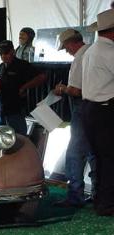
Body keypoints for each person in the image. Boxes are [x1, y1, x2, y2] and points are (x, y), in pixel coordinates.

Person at [53, 29, 96, 208]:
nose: (66, 51)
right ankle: (98, 193)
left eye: (66, 47)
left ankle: (75, 195)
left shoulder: (79, 58)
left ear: (72, 43)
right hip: (96, 108)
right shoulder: (93, 52)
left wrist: (63, 89)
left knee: (74, 153)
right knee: (94, 153)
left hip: (81, 107)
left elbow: (77, 90)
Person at [82, 9, 114, 216]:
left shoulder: (91, 51)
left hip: (90, 109)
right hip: (105, 110)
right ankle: (107, 203)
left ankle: (100, 199)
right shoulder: (110, 53)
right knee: (110, 159)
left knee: (101, 158)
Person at [0, 40, 46, 135]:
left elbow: (41, 77)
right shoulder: (0, 67)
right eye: (1, 53)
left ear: (13, 52)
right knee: (1, 137)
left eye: (6, 53)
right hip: (1, 108)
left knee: (19, 136)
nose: (3, 56)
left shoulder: (22, 65)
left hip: (15, 107)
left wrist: (24, 87)